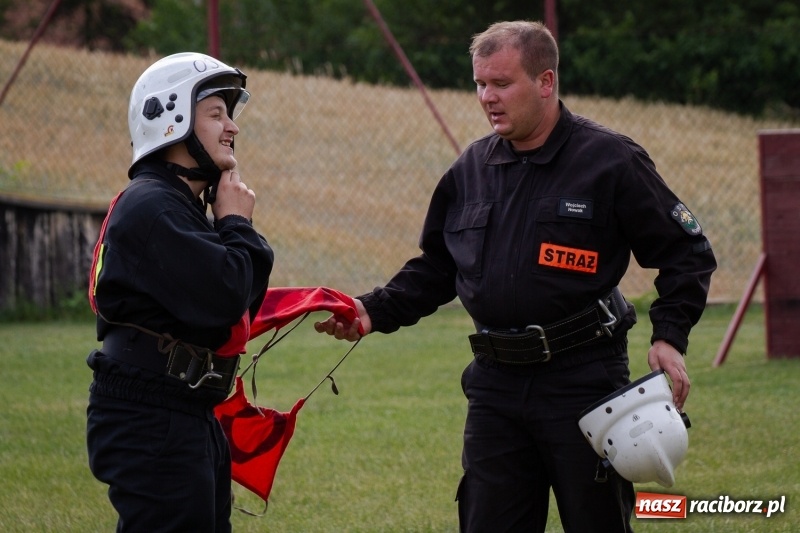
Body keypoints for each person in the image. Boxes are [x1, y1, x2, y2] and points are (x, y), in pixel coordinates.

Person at [315, 20, 716, 533]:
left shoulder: (608, 160)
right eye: (480, 84)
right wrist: (372, 309)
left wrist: (669, 335)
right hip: (495, 387)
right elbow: (438, 267)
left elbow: (686, 250)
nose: (487, 97)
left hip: (585, 382)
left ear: (545, 81)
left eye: (502, 84)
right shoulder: (470, 170)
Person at [85, 53, 274, 532]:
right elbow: (227, 293)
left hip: (184, 406)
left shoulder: (180, 208)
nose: (231, 127)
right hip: (150, 414)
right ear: (168, 118)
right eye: (215, 114)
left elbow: (237, 309)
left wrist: (230, 225)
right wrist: (235, 222)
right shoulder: (152, 206)